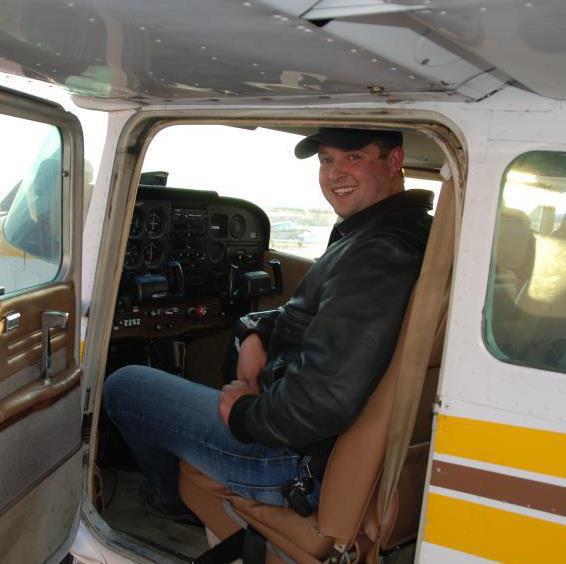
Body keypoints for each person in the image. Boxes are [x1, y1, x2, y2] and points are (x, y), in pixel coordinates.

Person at [103, 127, 433, 522]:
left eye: (353, 158)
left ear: (394, 161)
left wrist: (245, 414)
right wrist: (256, 329)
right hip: (320, 444)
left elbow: (325, 398)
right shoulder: (397, 233)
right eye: (327, 160)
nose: (334, 173)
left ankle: (170, 503)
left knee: (126, 384)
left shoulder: (377, 252)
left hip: (291, 459)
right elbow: (340, 326)